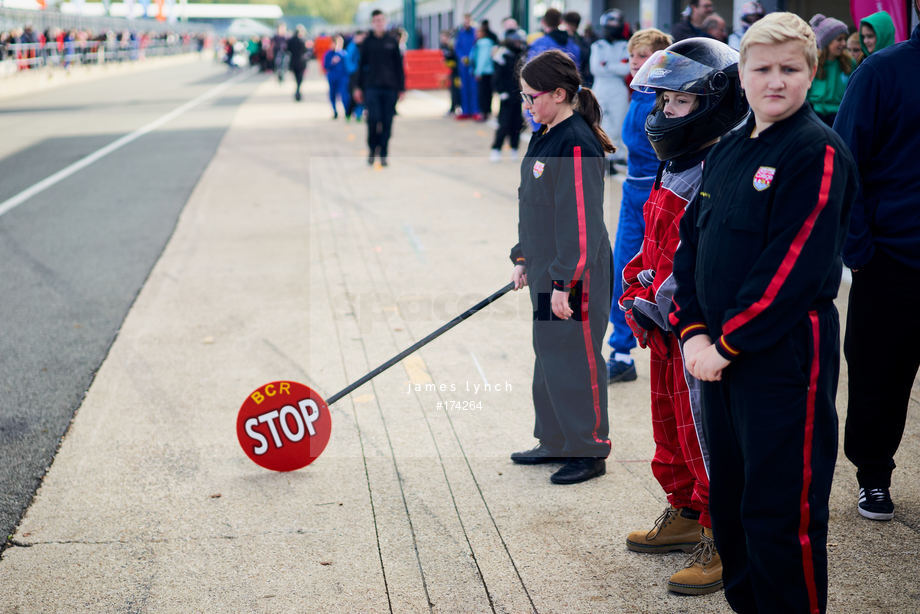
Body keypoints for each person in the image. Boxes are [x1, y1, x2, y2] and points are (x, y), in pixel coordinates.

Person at [671, 13, 858, 613]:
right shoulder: (727, 148)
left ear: (812, 72)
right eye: (762, 69)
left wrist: (724, 346)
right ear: (742, 77)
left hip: (781, 363)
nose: (775, 81)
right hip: (716, 360)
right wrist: (694, 329)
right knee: (731, 508)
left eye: (790, 69)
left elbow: (793, 266)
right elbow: (691, 245)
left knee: (780, 515)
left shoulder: (816, 151)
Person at [621, 36, 749, 597]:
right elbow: (652, 245)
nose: (663, 113)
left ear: (713, 103)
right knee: (669, 429)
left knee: (705, 435)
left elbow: (693, 260)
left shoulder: (718, 167)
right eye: (663, 102)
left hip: (694, 329)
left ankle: (723, 535)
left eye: (676, 103)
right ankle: (685, 509)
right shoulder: (675, 164)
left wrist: (653, 298)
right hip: (663, 328)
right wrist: (634, 286)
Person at [508, 49, 615, 485]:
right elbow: (536, 207)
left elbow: (580, 221)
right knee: (549, 354)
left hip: (574, 273)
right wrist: (522, 257)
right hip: (547, 269)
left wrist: (563, 282)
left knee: (577, 357)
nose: (527, 105)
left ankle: (588, 449)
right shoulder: (547, 131)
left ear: (559, 93)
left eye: (531, 96)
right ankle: (554, 438)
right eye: (523, 97)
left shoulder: (575, 142)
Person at [834, 0, 920, 523]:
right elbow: (846, 162)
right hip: (891, 259)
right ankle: (873, 476)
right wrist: (860, 251)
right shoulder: (883, 70)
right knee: (879, 378)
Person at [605, 27, 673, 383]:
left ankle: (675, 346)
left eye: (643, 55)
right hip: (632, 193)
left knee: (663, 274)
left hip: (659, 195)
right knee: (622, 271)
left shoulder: (669, 100)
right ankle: (620, 352)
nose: (635, 61)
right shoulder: (635, 93)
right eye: (632, 55)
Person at [354, 10, 405, 167]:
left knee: (387, 121)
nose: (379, 23)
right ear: (372, 22)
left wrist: (401, 88)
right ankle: (372, 149)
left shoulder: (392, 41)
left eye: (381, 20)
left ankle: (383, 153)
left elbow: (399, 66)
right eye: (376, 20)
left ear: (385, 21)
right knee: (373, 119)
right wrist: (357, 87)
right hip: (371, 87)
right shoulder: (367, 42)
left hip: (390, 88)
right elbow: (361, 66)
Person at [590, 9, 630, 166]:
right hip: (600, 86)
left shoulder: (625, 46)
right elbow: (596, 68)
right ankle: (604, 154)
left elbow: (626, 69)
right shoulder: (597, 46)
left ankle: (618, 154)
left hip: (618, 88)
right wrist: (616, 66)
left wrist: (607, 65)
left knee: (619, 121)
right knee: (601, 121)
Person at [807, 14, 853, 126]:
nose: (843, 43)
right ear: (826, 42)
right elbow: (805, 93)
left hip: (840, 115)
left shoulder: (849, 63)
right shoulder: (813, 62)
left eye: (844, 39)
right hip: (815, 115)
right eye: (839, 39)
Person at [489, 29, 526, 161]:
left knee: (517, 124)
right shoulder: (502, 55)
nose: (518, 43)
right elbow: (497, 77)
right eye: (516, 41)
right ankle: (496, 149)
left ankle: (514, 148)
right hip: (506, 96)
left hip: (517, 95)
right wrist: (501, 92)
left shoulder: (520, 54)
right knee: (504, 124)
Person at [470, 21, 496, 121]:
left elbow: (482, 58)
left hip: (484, 71)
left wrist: (478, 71)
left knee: (483, 93)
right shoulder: (489, 42)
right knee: (488, 93)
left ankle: (484, 112)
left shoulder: (483, 43)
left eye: (478, 32)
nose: (476, 34)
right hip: (489, 71)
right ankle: (487, 111)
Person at [455, 14, 479, 119]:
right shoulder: (461, 33)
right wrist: (462, 57)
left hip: (474, 64)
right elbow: (458, 47)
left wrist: (472, 58)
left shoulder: (475, 33)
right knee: (464, 88)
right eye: (465, 21)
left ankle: (475, 110)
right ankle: (466, 110)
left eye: (468, 20)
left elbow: (477, 47)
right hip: (464, 65)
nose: (467, 22)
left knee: (474, 88)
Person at [563, 11, 593, 87]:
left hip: (570, 78)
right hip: (582, 79)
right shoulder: (584, 41)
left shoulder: (564, 40)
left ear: (567, 23)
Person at [323, 35, 350, 119]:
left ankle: (347, 111)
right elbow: (325, 66)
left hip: (343, 78)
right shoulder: (328, 54)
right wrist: (332, 62)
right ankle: (335, 111)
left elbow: (348, 67)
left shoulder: (344, 54)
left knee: (344, 95)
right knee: (332, 95)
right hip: (332, 78)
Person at [345, 31, 366, 122]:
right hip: (354, 75)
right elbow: (348, 61)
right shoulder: (352, 46)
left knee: (363, 95)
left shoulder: (364, 46)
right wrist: (354, 71)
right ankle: (348, 114)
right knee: (353, 95)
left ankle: (359, 114)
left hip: (363, 74)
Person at [287, 27, 308, 101]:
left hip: (293, 62)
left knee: (297, 78)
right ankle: (298, 91)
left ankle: (297, 91)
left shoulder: (290, 40)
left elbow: (287, 50)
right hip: (301, 62)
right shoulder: (302, 41)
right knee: (300, 78)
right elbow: (305, 50)